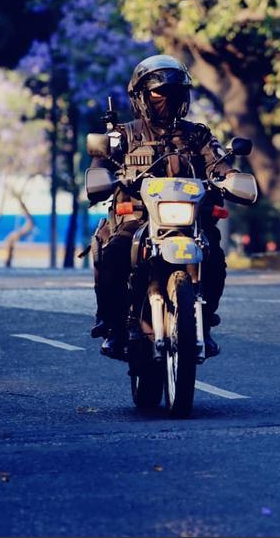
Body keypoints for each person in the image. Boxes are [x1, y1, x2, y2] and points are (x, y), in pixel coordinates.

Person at [89, 55, 235, 359]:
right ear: (141, 97)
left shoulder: (199, 135)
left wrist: (230, 178)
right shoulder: (122, 135)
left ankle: (204, 322)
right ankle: (115, 326)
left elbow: (220, 164)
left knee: (215, 258)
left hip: (189, 220)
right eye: (159, 93)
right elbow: (99, 165)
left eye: (175, 93)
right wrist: (101, 176)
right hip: (138, 218)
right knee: (113, 254)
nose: (167, 99)